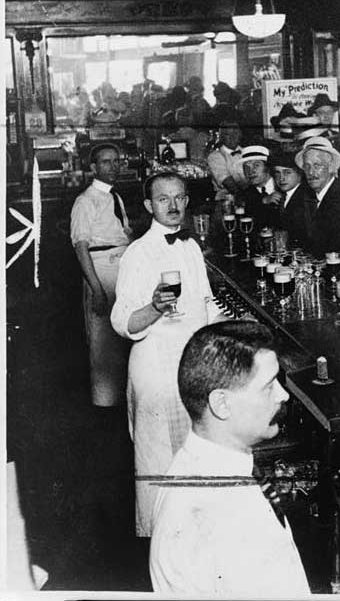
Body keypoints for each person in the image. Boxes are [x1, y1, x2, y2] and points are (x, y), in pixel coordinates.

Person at [149, 321, 311, 596]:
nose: (283, 395)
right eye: (269, 386)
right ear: (222, 404)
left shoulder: (202, 467)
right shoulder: (225, 517)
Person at [111, 172, 224, 536]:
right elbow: (122, 321)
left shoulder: (190, 247)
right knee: (162, 464)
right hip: (158, 370)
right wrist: (155, 307)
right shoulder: (138, 254)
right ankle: (163, 541)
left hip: (192, 365)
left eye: (179, 198)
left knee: (196, 456)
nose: (174, 206)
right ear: (148, 206)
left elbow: (207, 304)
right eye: (163, 199)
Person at [70, 143, 133, 408]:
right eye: (106, 162)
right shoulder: (85, 201)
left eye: (116, 161)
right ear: (93, 168)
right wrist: (96, 289)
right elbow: (80, 247)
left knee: (124, 335)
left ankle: (123, 403)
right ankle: (104, 407)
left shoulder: (115, 197)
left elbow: (126, 233)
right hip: (102, 269)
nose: (113, 166)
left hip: (123, 268)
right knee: (103, 342)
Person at [295, 136, 340, 257]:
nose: (310, 172)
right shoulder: (308, 198)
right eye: (307, 166)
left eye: (317, 165)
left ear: (331, 167)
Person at [270, 150, 313, 250]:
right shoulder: (280, 197)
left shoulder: (306, 197)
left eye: (287, 172)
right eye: (277, 173)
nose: (281, 178)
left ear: (300, 174)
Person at [237, 145, 279, 229]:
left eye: (256, 165)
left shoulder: (282, 186)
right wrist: (264, 201)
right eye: (246, 167)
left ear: (267, 167)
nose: (251, 171)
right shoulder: (244, 195)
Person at [205, 119, 247, 203]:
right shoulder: (215, 157)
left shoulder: (247, 152)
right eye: (228, 134)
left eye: (235, 133)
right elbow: (229, 184)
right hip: (226, 201)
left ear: (240, 135)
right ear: (222, 137)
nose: (232, 137)